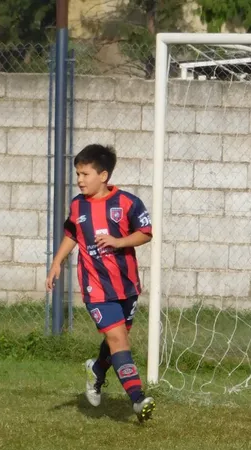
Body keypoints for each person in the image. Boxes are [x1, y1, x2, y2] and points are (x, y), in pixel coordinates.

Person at [45, 144, 155, 423]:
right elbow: (73, 234)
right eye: (78, 174)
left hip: (127, 285)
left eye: (85, 174)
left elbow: (145, 233)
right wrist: (58, 261)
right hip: (96, 288)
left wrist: (119, 241)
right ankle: (138, 399)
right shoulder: (77, 205)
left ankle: (97, 370)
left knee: (117, 340)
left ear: (103, 175)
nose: (80, 180)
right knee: (118, 339)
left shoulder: (128, 202)